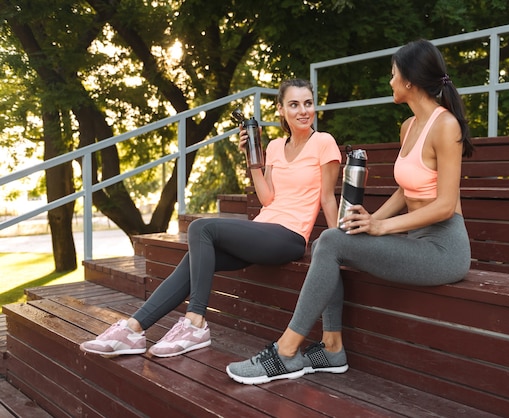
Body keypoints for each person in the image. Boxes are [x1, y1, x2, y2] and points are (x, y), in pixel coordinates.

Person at [226, 39, 475, 385]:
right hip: (414, 241)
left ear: (409, 80)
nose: (389, 82)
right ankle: (331, 348)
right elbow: (406, 191)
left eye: (393, 75)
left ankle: (287, 353)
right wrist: (367, 221)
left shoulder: (445, 126)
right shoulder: (408, 127)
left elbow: (446, 204)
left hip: (444, 251)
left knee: (330, 242)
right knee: (333, 239)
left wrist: (380, 226)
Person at [80, 79, 341, 358]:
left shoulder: (323, 142)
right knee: (195, 258)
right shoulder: (276, 146)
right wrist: (253, 159)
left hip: (289, 237)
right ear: (281, 110)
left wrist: (338, 244)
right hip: (262, 232)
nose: (303, 110)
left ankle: (196, 322)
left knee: (201, 228)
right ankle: (133, 328)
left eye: (308, 103)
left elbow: (327, 198)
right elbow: (267, 199)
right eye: (294, 104)